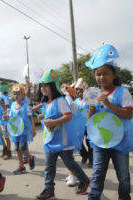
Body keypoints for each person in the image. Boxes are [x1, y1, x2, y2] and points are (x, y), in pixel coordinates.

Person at [85, 44, 133, 200]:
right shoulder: (93, 93)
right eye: (98, 74)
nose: (102, 77)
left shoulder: (123, 92)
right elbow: (91, 120)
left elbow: (128, 114)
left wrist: (109, 104)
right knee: (97, 175)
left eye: (106, 74)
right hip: (99, 142)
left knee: (123, 176)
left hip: (120, 142)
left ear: (114, 74)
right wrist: (91, 106)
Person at [36, 69, 90, 200]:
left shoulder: (60, 100)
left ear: (53, 86)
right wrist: (42, 116)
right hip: (50, 140)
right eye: (42, 85)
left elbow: (68, 116)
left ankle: (84, 179)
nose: (43, 88)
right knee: (49, 167)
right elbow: (52, 115)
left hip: (63, 140)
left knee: (69, 163)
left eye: (46, 85)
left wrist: (54, 122)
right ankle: (49, 190)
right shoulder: (46, 102)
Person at [9, 84, 36, 174]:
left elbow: (31, 117)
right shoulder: (12, 105)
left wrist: (33, 128)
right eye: (15, 94)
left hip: (24, 131)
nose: (16, 96)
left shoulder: (26, 106)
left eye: (18, 94)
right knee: (17, 149)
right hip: (15, 131)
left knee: (23, 148)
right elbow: (11, 117)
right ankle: (21, 166)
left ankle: (30, 157)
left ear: (22, 95)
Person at [0, 81, 12, 160]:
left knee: (6, 137)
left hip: (5, 120)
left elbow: (7, 107)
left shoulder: (6, 98)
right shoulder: (0, 96)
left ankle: (8, 152)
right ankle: (4, 148)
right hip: (0, 120)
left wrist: (0, 103)